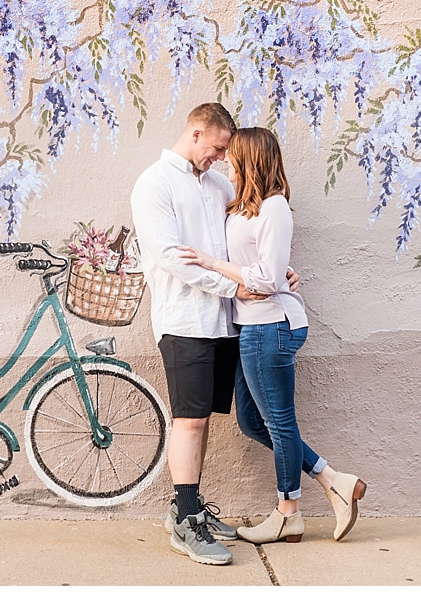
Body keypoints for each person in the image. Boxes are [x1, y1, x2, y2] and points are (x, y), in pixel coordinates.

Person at [179, 126, 367, 545]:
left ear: (251, 159)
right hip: (251, 325)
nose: (226, 161)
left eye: (233, 156)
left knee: (280, 422)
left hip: (272, 325)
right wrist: (277, 272)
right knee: (252, 421)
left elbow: (263, 280)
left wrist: (213, 263)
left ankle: (288, 512)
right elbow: (265, 266)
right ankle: (334, 479)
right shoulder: (242, 207)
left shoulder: (275, 207)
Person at [130, 104, 298, 565]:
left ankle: (188, 508)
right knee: (189, 419)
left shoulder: (220, 183)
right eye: (219, 148)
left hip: (227, 321)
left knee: (204, 418)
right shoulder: (154, 184)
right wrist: (237, 284)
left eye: (227, 152)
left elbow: (239, 241)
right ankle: (186, 522)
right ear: (197, 133)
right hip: (184, 320)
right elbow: (170, 257)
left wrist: (276, 272)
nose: (223, 158)